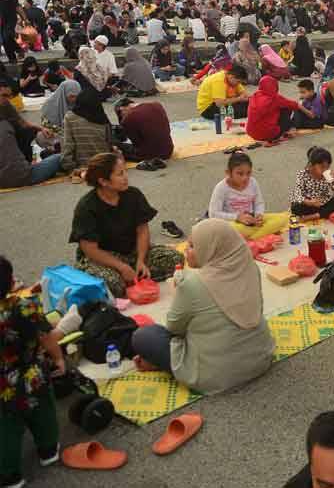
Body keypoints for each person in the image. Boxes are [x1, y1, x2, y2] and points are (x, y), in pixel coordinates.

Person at [131, 219, 274, 393]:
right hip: (260, 358)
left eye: (192, 246)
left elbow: (174, 328)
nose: (186, 250)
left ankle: (163, 364)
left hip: (215, 375)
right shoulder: (249, 266)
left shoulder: (193, 284)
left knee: (144, 335)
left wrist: (177, 295)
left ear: (211, 248)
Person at [69, 153, 184, 298]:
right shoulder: (86, 207)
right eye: (120, 174)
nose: (126, 177)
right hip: (104, 258)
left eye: (125, 172)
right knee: (113, 285)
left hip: (132, 252)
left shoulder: (133, 195)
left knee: (175, 260)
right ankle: (125, 278)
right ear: (103, 181)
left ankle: (133, 275)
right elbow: (90, 250)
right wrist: (121, 267)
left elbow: (142, 231)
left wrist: (141, 261)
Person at [0, 256, 66, 488]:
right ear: (10, 283)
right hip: (31, 375)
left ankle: (10, 475)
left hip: (2, 388)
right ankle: (48, 450)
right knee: (43, 413)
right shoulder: (26, 306)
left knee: (6, 430)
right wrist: (58, 358)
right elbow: (45, 337)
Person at [208, 151, 288, 239]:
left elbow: (259, 203)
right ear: (228, 173)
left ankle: (251, 238)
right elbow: (213, 214)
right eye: (240, 173)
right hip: (233, 223)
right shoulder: (221, 188)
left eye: (248, 173)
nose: (245, 177)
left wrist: (259, 216)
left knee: (283, 219)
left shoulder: (253, 182)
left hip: (251, 221)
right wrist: (237, 217)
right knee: (229, 229)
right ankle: (259, 235)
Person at [288, 146, 334, 221]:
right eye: (322, 167)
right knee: (295, 208)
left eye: (327, 167)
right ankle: (324, 213)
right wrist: (309, 202)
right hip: (309, 205)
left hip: (324, 203)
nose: (325, 170)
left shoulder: (327, 175)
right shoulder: (303, 175)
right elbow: (297, 193)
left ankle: (314, 216)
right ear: (311, 165)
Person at [60, 87, 113, 174]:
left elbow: (68, 144)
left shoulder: (70, 117)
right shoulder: (102, 117)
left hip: (81, 166)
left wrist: (69, 167)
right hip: (104, 164)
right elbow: (109, 142)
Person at [246, 75, 312, 142]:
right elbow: (295, 105)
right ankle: (290, 128)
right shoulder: (275, 98)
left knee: (279, 108)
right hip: (269, 135)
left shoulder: (255, 95)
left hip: (251, 133)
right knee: (286, 108)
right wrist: (308, 112)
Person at [115, 97, 174, 163]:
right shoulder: (157, 104)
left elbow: (137, 143)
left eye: (121, 116)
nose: (123, 117)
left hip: (151, 155)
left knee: (114, 146)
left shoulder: (128, 119)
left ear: (122, 109)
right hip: (168, 149)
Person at [38, 79, 80, 145]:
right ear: (63, 93)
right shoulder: (50, 105)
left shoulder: (80, 103)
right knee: (41, 137)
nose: (75, 99)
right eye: (72, 96)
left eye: (77, 96)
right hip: (56, 135)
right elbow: (46, 127)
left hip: (76, 135)